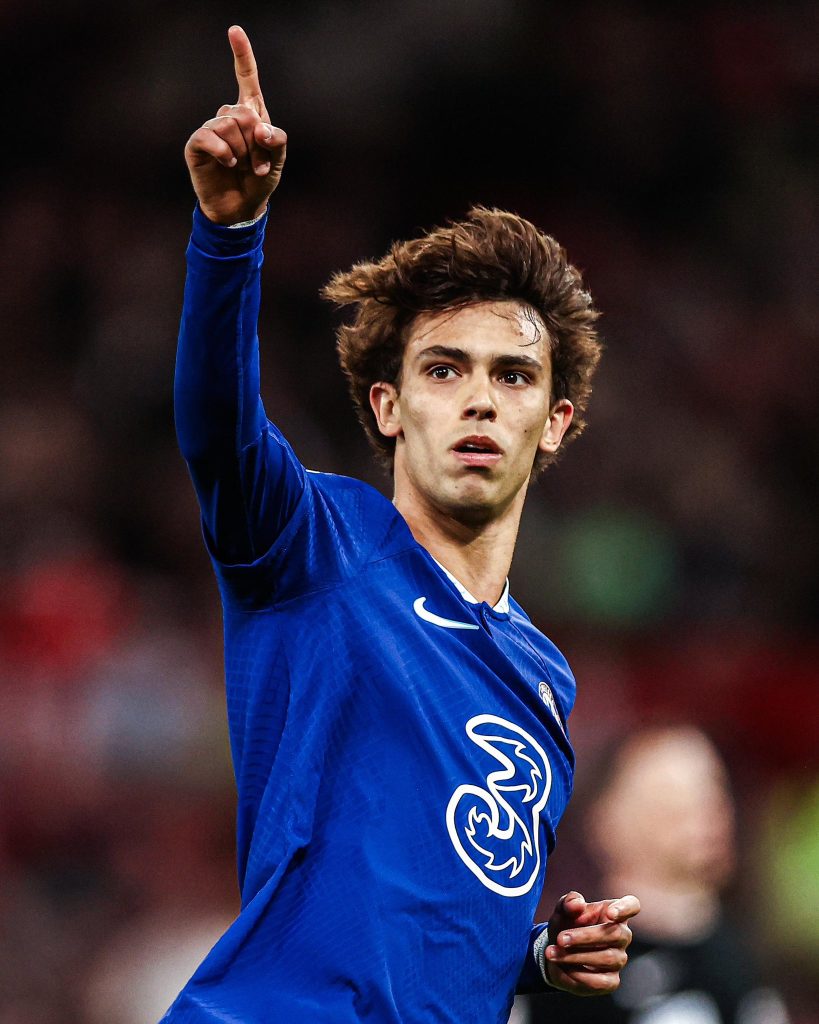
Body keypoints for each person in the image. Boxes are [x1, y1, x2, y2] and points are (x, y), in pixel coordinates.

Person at [164, 24, 640, 1024]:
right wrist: (229, 237)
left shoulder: (546, 684)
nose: (479, 399)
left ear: (554, 422)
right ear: (389, 407)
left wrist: (536, 957)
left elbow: (429, 912)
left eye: (512, 375)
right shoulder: (316, 547)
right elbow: (216, 428)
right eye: (444, 369)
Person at [517, 726, 790, 1024]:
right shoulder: (573, 960)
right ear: (606, 821)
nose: (707, 812)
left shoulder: (751, 951)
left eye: (712, 788)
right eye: (670, 796)